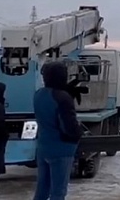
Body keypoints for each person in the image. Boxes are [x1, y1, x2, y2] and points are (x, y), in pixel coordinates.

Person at [33, 61, 83, 200]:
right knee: (58, 192)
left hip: (43, 147)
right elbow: (68, 126)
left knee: (42, 190)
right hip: (61, 149)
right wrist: (79, 134)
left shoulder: (38, 95)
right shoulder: (62, 98)